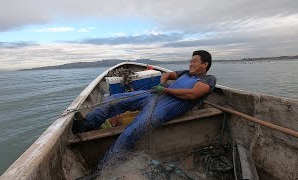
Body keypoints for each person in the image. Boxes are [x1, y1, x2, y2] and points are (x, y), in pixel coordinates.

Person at [78, 50, 216, 164]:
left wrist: (166, 90)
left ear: (205, 64)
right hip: (155, 95)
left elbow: (192, 94)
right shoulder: (185, 73)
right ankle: (88, 124)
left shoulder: (208, 79)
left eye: (195, 61)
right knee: (115, 99)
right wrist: (162, 84)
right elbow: (167, 74)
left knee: (133, 130)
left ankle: (108, 164)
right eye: (191, 61)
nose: (191, 64)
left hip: (169, 106)